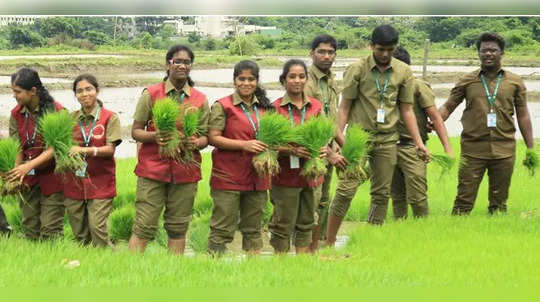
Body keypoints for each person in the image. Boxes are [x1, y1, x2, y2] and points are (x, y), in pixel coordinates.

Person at [326, 25, 430, 246]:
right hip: (358, 137)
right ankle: (330, 239)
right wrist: (335, 141)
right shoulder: (357, 69)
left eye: (390, 50)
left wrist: (419, 143)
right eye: (381, 49)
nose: (385, 55)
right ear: (371, 46)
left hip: (387, 139)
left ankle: (372, 237)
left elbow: (407, 110)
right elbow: (344, 108)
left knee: (381, 194)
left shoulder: (403, 71)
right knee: (346, 189)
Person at [439, 32, 534, 215]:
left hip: (504, 149)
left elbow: (523, 115)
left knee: (499, 202)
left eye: (493, 50)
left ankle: (497, 233)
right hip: (473, 149)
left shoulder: (515, 82)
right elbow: (448, 106)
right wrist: (433, 121)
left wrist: (530, 148)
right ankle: (456, 232)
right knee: (463, 200)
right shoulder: (467, 81)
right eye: (484, 51)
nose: (488, 54)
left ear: (502, 53)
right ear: (478, 53)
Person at [128, 45, 210, 254]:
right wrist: (155, 136)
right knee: (144, 224)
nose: (182, 65)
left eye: (187, 62)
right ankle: (128, 270)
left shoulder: (200, 99)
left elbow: (206, 136)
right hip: (153, 169)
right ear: (168, 64)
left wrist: (197, 142)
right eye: (177, 61)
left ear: (191, 66)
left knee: (178, 226)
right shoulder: (152, 94)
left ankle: (174, 272)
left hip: (186, 171)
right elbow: (136, 131)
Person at [207, 60, 273, 255]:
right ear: (234, 81)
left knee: (254, 228)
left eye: (251, 79)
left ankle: (251, 272)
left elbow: (273, 140)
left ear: (257, 82)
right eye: (241, 79)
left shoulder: (264, 108)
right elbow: (213, 138)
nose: (246, 83)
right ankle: (213, 268)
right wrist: (244, 145)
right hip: (229, 177)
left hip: (257, 179)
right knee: (222, 228)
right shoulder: (223, 106)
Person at [268, 59, 326, 254]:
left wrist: (323, 148)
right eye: (292, 76)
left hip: (310, 176)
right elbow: (268, 143)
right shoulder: (275, 108)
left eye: (301, 76)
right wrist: (290, 150)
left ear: (307, 79)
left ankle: (300, 264)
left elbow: (324, 134)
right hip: (284, 177)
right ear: (283, 80)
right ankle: (281, 263)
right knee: (283, 222)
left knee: (307, 221)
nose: (297, 80)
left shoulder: (316, 106)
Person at [390, 46, 454, 219]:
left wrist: (448, 149)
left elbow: (436, 118)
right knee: (396, 196)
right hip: (388, 147)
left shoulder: (418, 86)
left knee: (417, 197)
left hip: (412, 148)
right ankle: (399, 229)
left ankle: (421, 228)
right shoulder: (384, 88)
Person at [62, 74, 122, 247]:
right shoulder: (70, 119)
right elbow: (62, 146)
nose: (84, 94)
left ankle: (110, 264)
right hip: (74, 182)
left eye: (89, 89)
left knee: (97, 228)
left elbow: (110, 149)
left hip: (100, 182)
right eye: (79, 91)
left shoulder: (110, 117)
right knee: (79, 233)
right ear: (75, 95)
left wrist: (84, 150)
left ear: (97, 90)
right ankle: (87, 265)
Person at [8, 68, 65, 240]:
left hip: (52, 176)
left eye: (17, 92)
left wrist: (29, 166)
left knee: (50, 229)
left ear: (33, 91)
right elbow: (17, 146)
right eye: (13, 91)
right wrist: (16, 171)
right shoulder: (16, 114)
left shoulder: (56, 111)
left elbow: (55, 147)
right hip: (28, 178)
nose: (14, 96)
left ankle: (54, 263)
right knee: (30, 227)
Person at [304, 34, 340, 251]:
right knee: (311, 202)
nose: (327, 56)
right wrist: (325, 149)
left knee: (323, 201)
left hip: (329, 149)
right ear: (312, 53)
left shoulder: (330, 79)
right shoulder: (305, 81)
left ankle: (315, 249)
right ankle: (304, 249)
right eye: (322, 52)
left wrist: (336, 141)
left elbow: (332, 114)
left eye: (331, 52)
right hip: (313, 152)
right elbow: (305, 121)